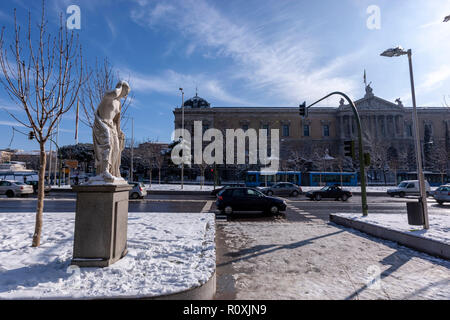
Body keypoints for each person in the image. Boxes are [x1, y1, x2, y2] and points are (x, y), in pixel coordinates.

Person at [92, 81, 129, 183]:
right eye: (126, 91)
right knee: (107, 145)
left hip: (112, 127)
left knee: (116, 149)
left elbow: (116, 120)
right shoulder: (109, 96)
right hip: (102, 124)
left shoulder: (119, 104)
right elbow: (113, 94)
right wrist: (120, 86)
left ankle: (113, 171)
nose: (126, 94)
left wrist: (119, 131)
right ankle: (104, 171)